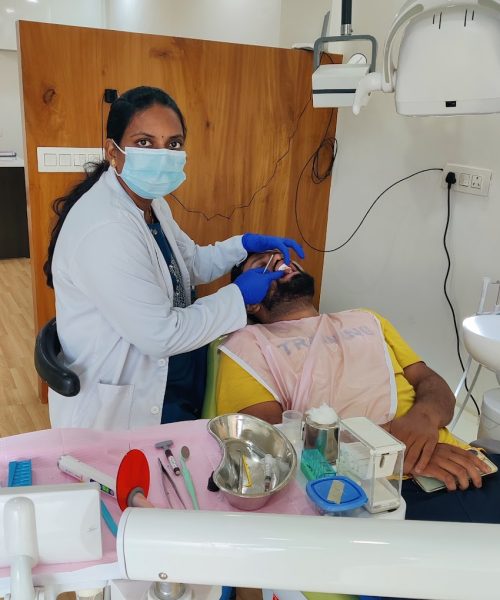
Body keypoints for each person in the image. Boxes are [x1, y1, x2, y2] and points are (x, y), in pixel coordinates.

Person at [45, 86, 304, 430]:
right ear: (113, 151)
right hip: (120, 407)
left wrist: (243, 245)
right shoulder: (106, 229)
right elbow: (160, 336)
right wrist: (238, 297)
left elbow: (190, 263)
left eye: (173, 144)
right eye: (145, 142)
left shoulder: (150, 203)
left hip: (172, 376)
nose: (162, 154)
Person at [216, 250, 500, 523]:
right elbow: (271, 444)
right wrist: (393, 453)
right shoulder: (247, 345)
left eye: (281, 255)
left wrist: (423, 418)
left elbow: (429, 381)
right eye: (262, 264)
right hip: (378, 493)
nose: (279, 260)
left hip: (464, 460)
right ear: (250, 301)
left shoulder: (367, 319)